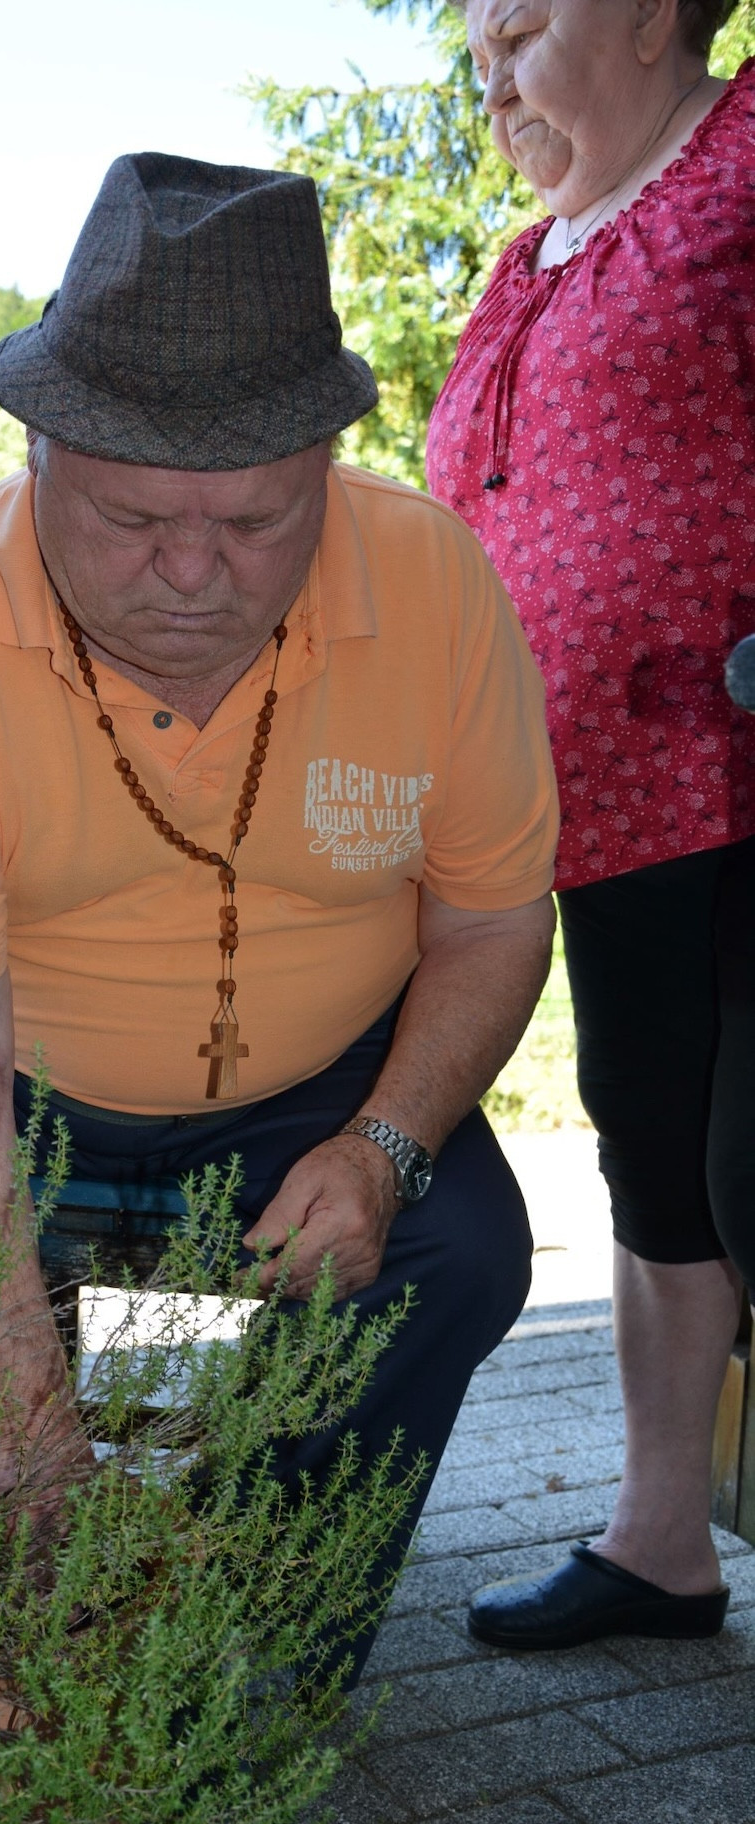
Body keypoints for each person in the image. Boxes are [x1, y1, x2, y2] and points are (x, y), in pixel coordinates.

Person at [0, 151, 560, 1686]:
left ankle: (238, 1661)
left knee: (465, 1246)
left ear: (326, 463)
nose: (192, 574)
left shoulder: (438, 585)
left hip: (317, 1085)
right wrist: (15, 1401)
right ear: (37, 452)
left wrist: (384, 1148)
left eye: (257, 520)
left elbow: (494, 924)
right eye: (133, 516)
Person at [426, 0, 755, 1648]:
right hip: (602, 802)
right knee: (656, 1158)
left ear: (644, 14)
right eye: (478, 42)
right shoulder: (533, 258)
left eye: (524, 21)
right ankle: (659, 1543)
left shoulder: (747, 165)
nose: (491, 61)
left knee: (745, 1167)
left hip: (736, 768)